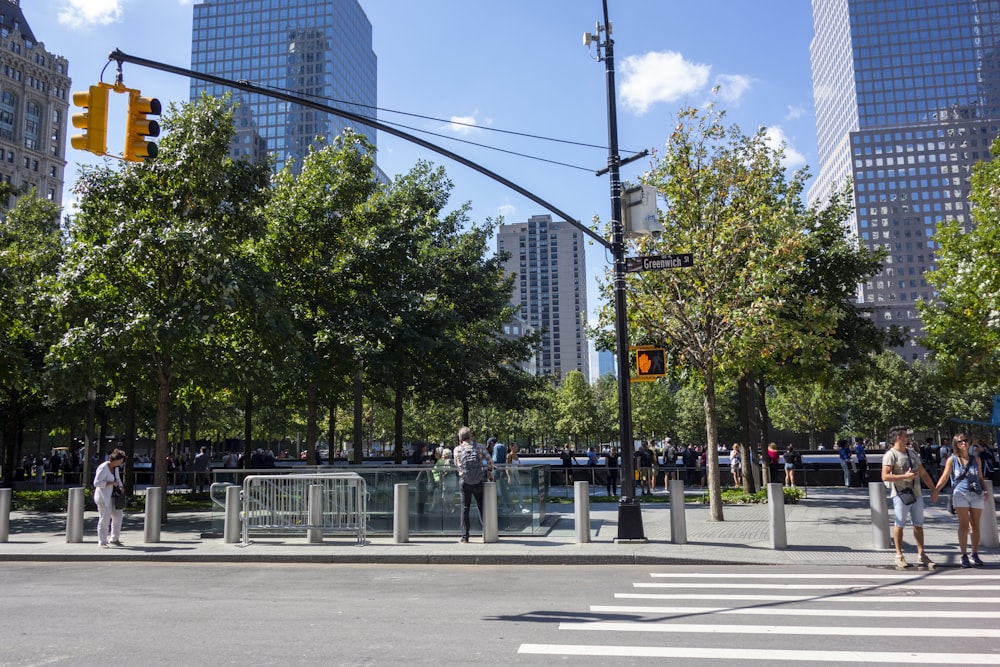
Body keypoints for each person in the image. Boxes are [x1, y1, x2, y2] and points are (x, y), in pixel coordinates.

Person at [881, 425, 939, 570]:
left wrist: (934, 489)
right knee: (899, 523)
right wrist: (904, 476)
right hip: (901, 494)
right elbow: (885, 476)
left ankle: (921, 554)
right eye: (906, 436)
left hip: (916, 493)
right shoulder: (890, 455)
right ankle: (899, 555)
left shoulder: (912, 453)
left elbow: (923, 472)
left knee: (918, 524)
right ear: (898, 438)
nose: (909, 438)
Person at [935, 434, 988, 568]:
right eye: (960, 442)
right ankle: (963, 555)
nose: (963, 443)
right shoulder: (952, 460)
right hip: (961, 494)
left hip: (976, 494)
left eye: (965, 440)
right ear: (956, 445)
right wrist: (935, 490)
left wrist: (985, 490)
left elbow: (980, 478)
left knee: (975, 525)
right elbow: (945, 476)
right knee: (964, 525)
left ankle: (974, 553)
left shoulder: (976, 459)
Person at [453, 426, 493, 543]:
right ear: (470, 436)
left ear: (460, 438)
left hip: (464, 481)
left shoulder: (457, 450)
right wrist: (490, 474)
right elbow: (490, 461)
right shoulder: (479, 447)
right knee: (481, 506)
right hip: (478, 481)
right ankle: (487, 533)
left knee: (465, 508)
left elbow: (457, 464)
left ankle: (465, 537)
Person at [93, 449, 127, 548]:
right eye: (120, 461)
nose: (121, 463)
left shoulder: (115, 468)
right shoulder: (103, 468)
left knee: (118, 517)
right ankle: (102, 541)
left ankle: (114, 538)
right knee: (104, 518)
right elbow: (97, 483)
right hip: (103, 497)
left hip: (114, 497)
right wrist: (110, 483)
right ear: (115, 460)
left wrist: (121, 486)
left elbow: (118, 478)